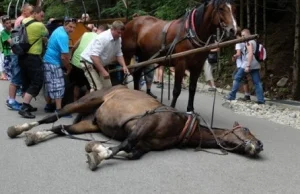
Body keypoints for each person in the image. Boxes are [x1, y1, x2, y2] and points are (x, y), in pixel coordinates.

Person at [80, 20, 129, 91]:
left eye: (121, 33)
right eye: (118, 33)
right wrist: (103, 71)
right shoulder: (102, 38)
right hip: (88, 61)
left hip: (100, 62)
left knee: (108, 87)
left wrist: (124, 66)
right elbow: (93, 56)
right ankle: (95, 101)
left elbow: (119, 53)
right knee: (97, 88)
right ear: (112, 29)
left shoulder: (119, 39)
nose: (120, 35)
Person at [18, 6, 48, 119]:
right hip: (33, 57)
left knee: (27, 80)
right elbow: (46, 33)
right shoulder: (39, 25)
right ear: (35, 13)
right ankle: (24, 107)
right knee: (37, 81)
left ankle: (26, 104)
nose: (42, 18)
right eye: (41, 15)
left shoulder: (24, 21)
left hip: (22, 55)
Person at [43, 18, 76, 115]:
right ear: (65, 24)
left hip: (47, 60)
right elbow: (64, 56)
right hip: (54, 62)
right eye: (70, 27)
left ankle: (48, 106)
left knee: (50, 83)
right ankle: (59, 110)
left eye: (74, 27)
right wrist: (69, 67)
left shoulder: (58, 29)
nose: (72, 29)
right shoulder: (63, 36)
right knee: (59, 85)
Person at [226, 29, 265, 104]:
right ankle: (261, 100)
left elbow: (250, 53)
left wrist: (248, 65)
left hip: (248, 63)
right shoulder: (254, 41)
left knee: (237, 78)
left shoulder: (249, 42)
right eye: (242, 35)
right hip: (256, 64)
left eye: (244, 35)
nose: (242, 37)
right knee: (257, 82)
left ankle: (231, 96)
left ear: (248, 35)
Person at [70, 24, 108, 101]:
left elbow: (74, 47)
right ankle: (85, 105)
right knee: (90, 87)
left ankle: (74, 102)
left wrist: (71, 58)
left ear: (97, 29)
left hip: (75, 62)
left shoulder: (85, 34)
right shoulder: (100, 38)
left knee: (77, 85)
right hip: (84, 63)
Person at [1, 16, 23, 110]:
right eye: (6, 23)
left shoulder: (12, 30)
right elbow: (12, 42)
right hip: (8, 55)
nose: (8, 25)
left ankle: (11, 98)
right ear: (3, 24)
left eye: (9, 22)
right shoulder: (3, 33)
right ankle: (11, 99)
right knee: (13, 77)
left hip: (14, 54)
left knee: (14, 76)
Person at [232, 29, 251, 101]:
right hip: (245, 63)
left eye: (236, 36)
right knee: (244, 79)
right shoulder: (245, 43)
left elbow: (238, 54)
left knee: (235, 77)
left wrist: (234, 56)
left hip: (241, 65)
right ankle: (247, 95)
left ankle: (232, 95)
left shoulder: (238, 43)